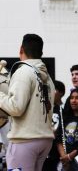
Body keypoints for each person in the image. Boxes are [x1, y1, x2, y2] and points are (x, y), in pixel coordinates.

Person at [0, 34, 55, 171]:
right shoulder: (48, 78)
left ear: (21, 49)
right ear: (41, 53)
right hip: (45, 139)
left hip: (25, 140)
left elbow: (16, 108)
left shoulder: (23, 71)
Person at [43, 80, 66, 171]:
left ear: (61, 93)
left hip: (58, 150)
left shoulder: (64, 109)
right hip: (45, 148)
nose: (50, 93)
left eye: (54, 90)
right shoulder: (44, 108)